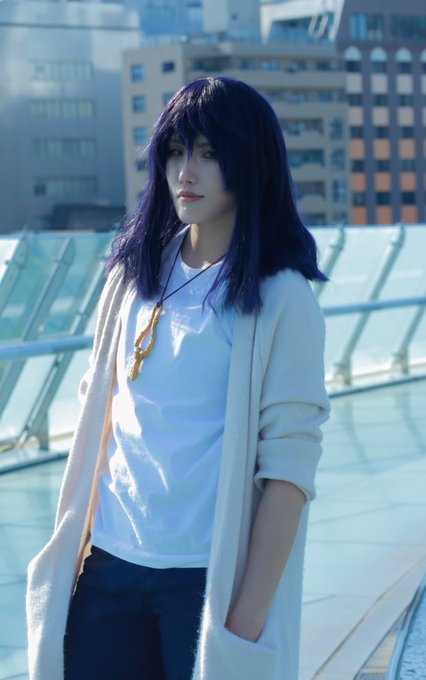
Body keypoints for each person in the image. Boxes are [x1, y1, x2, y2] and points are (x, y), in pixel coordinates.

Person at [26, 76, 330, 680]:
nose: (186, 171)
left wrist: (243, 621)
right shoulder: (131, 276)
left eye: (210, 153)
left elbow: (289, 469)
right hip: (109, 566)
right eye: (175, 151)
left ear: (251, 162)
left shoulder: (281, 296)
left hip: (204, 582)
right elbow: (100, 419)